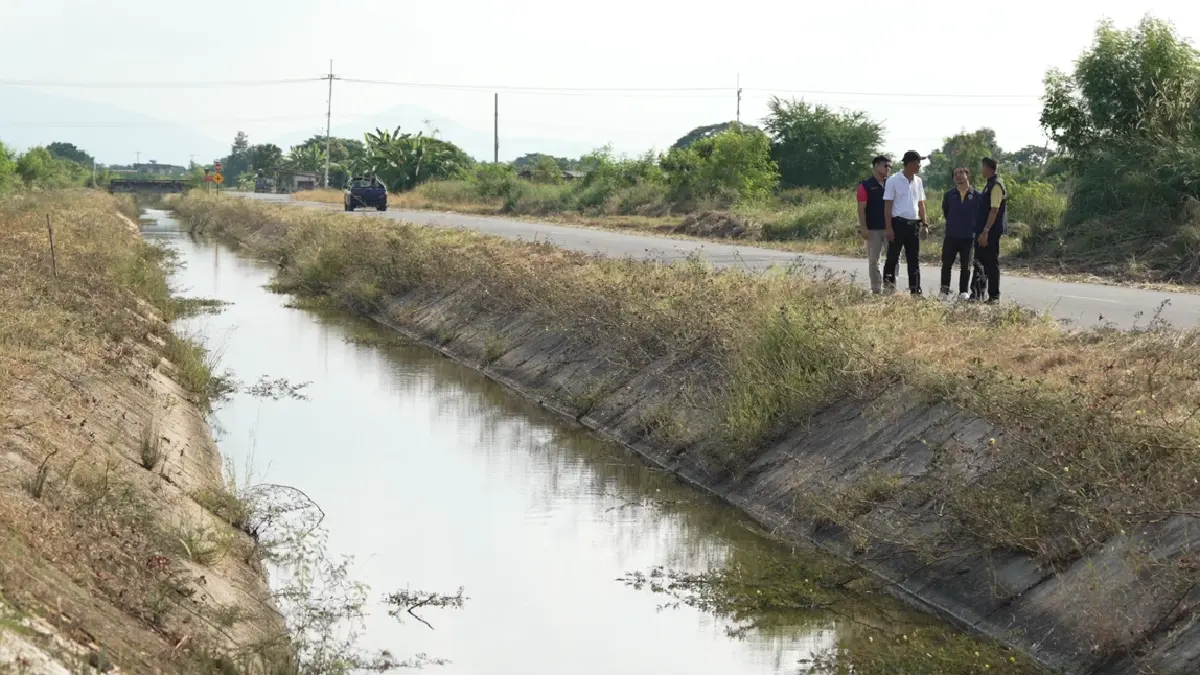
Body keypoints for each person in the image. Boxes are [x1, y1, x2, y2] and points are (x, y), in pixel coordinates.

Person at [882, 150, 929, 295]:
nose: (919, 166)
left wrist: (925, 224)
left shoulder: (918, 181)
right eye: (917, 163)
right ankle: (889, 289)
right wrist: (889, 227)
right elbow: (888, 205)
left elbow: (921, 204)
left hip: (913, 224)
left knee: (913, 260)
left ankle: (915, 291)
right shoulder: (894, 180)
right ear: (908, 163)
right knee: (893, 257)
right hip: (898, 224)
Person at [938, 167, 979, 300]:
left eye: (961, 173)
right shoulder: (949, 195)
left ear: (968, 175)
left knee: (966, 265)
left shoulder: (977, 196)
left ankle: (963, 292)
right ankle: (944, 291)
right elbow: (946, 212)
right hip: (951, 235)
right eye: (955, 174)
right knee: (946, 264)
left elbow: (979, 215)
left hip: (968, 236)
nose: (958, 176)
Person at [971, 157, 1007, 303]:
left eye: (983, 167)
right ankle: (976, 294)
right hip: (982, 231)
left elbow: (994, 210)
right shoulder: (989, 184)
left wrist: (985, 231)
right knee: (979, 262)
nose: (981, 170)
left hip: (989, 232)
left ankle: (994, 296)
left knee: (991, 263)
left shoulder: (996, 185)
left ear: (989, 168)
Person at [856, 155, 892, 293]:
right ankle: (876, 289)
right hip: (873, 229)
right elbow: (861, 208)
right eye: (885, 165)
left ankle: (890, 288)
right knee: (873, 261)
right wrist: (863, 228)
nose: (888, 169)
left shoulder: (892, 183)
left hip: (890, 228)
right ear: (876, 166)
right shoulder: (865, 186)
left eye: (890, 166)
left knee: (893, 259)